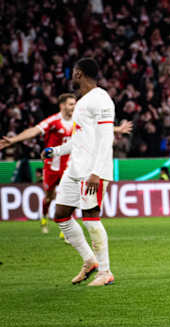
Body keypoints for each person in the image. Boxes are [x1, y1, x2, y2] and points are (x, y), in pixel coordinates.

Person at [0, 94, 132, 234]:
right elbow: (34, 131)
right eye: (70, 104)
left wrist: (118, 129)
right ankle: (44, 218)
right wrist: (13, 140)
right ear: (62, 106)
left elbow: (97, 127)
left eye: (75, 104)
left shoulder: (79, 119)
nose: (74, 107)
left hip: (71, 165)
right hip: (52, 166)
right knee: (50, 196)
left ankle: (66, 230)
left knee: (71, 196)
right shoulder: (54, 121)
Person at [43, 57, 117, 286]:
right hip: (74, 168)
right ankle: (89, 261)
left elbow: (107, 139)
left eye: (74, 72)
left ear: (79, 74)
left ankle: (105, 272)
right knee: (61, 215)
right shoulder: (83, 102)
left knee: (90, 217)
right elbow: (78, 140)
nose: (71, 75)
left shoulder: (101, 100)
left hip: (92, 172)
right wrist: (55, 151)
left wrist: (96, 172)